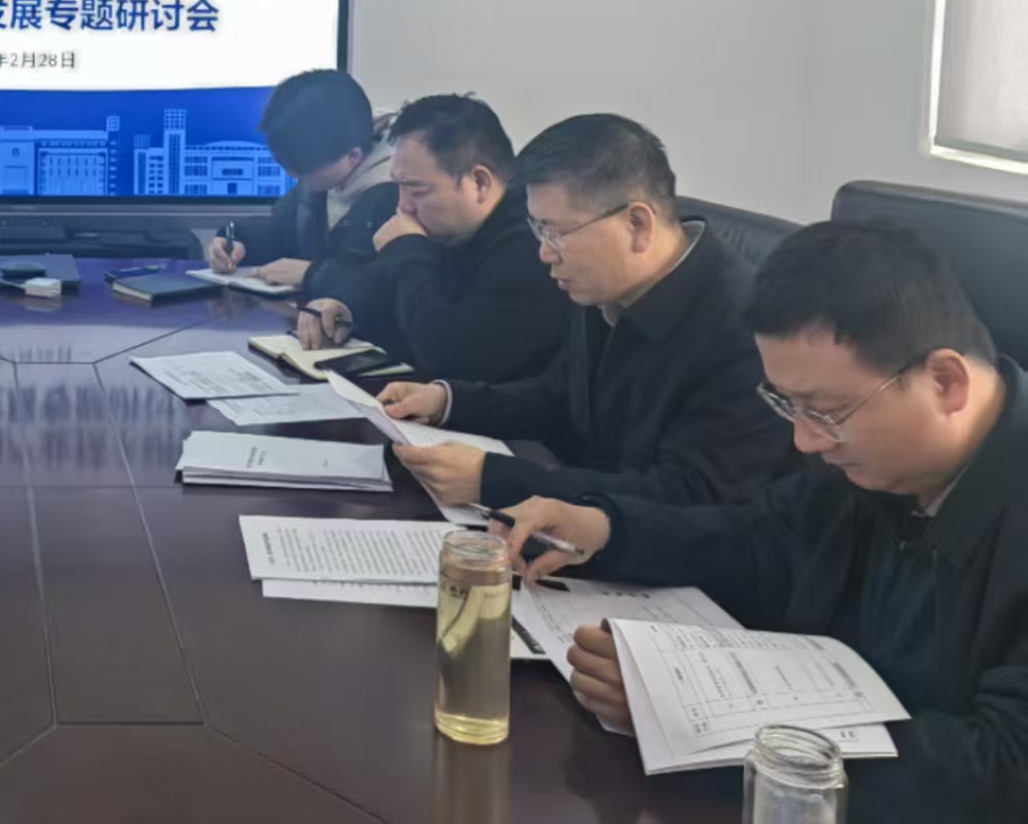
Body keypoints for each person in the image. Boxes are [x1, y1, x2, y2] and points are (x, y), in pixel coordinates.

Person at [495, 222, 1028, 824]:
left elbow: (999, 771)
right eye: (786, 405)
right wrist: (608, 529)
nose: (804, 441)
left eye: (825, 411)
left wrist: (701, 722)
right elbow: (753, 539)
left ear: (946, 382)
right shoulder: (873, 465)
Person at [376, 113, 789, 508]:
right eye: (538, 228)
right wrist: (448, 401)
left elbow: (688, 494)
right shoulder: (608, 285)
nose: (543, 252)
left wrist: (496, 480)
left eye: (556, 232)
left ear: (637, 225)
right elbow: (558, 397)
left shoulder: (745, 330)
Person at [296, 94, 569, 381]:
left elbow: (450, 357)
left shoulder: (529, 247)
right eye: (399, 187)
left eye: (417, 191)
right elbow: (379, 281)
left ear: (479, 183)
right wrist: (343, 305)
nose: (403, 206)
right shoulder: (447, 230)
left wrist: (407, 250)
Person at [206, 69, 393, 290]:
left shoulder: (395, 195)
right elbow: (280, 232)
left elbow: (385, 284)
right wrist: (235, 241)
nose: (293, 174)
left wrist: (312, 274)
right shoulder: (322, 174)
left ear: (353, 157)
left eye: (303, 168)